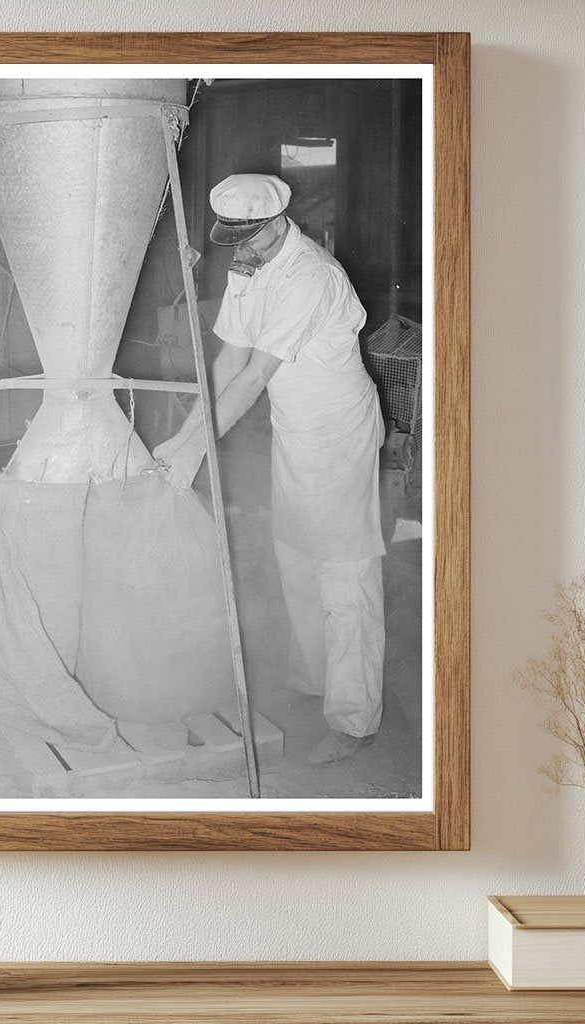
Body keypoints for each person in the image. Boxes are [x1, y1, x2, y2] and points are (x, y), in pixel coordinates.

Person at [154, 173, 386, 765]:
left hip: (337, 433)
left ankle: (355, 719)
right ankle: (315, 682)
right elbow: (228, 359)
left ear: (279, 222)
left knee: (342, 569)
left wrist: (196, 452)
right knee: (298, 555)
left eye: (250, 238)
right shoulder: (250, 263)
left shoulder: (310, 276)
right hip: (295, 430)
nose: (242, 251)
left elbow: (255, 376)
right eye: (234, 240)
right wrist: (180, 441)